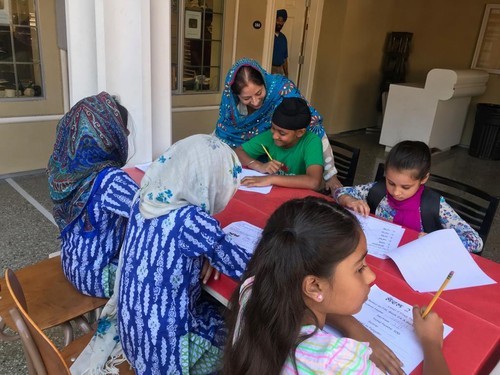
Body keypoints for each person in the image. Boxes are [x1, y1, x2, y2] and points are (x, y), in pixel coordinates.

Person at [223, 196, 451, 375]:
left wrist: (353, 327)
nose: (371, 276)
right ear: (313, 286)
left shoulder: (253, 289)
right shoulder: (336, 362)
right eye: (359, 268)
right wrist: (431, 344)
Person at [117, 134, 253, 374]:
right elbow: (245, 267)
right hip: (166, 355)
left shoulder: (144, 197)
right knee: (240, 331)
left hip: (132, 335)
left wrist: (204, 252)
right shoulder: (191, 221)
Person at [47, 91, 138, 298]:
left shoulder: (66, 172)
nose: (128, 135)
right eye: (123, 129)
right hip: (99, 275)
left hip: (72, 263)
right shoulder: (110, 179)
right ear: (107, 135)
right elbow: (151, 212)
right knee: (176, 276)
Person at [214, 58, 342, 191]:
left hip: (288, 181)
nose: (256, 102)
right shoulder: (267, 134)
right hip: (265, 173)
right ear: (236, 96)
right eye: (246, 98)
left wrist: (330, 175)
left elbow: (314, 127)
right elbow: (234, 148)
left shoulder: (282, 91)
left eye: (259, 93)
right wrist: (258, 166)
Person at [334, 140, 483, 253]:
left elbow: (475, 241)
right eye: (391, 183)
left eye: (406, 187)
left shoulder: (434, 206)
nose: (396, 192)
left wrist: (436, 241)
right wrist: (349, 199)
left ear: (423, 179)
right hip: (379, 254)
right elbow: (339, 191)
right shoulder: (378, 191)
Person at [235, 97, 323, 190]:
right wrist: (258, 165)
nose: (274, 136)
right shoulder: (270, 136)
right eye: (273, 128)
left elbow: (314, 182)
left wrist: (271, 179)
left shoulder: (311, 142)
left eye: (282, 133)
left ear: (300, 132)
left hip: (300, 197)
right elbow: (238, 152)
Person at [272, 9, 288, 77]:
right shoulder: (269, 36)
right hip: (269, 67)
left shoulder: (283, 38)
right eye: (278, 20)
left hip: (280, 70)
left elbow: (285, 58)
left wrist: (286, 74)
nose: (279, 23)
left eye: (282, 21)